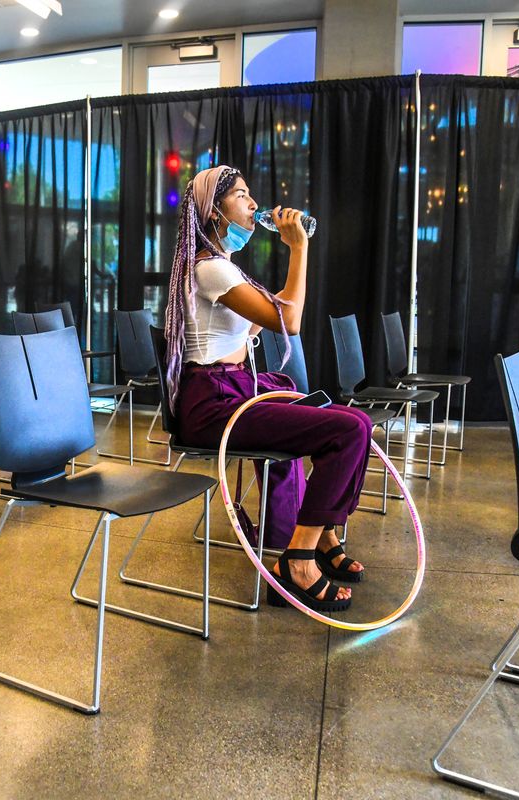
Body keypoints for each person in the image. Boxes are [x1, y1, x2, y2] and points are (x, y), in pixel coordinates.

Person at [164, 165, 374, 612]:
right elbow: (290, 320)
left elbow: (274, 309)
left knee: (358, 420)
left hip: (235, 390)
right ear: (213, 211)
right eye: (242, 196)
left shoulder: (222, 267)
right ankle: (297, 559)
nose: (256, 205)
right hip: (215, 404)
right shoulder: (210, 269)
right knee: (349, 432)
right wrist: (299, 250)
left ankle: (323, 532)